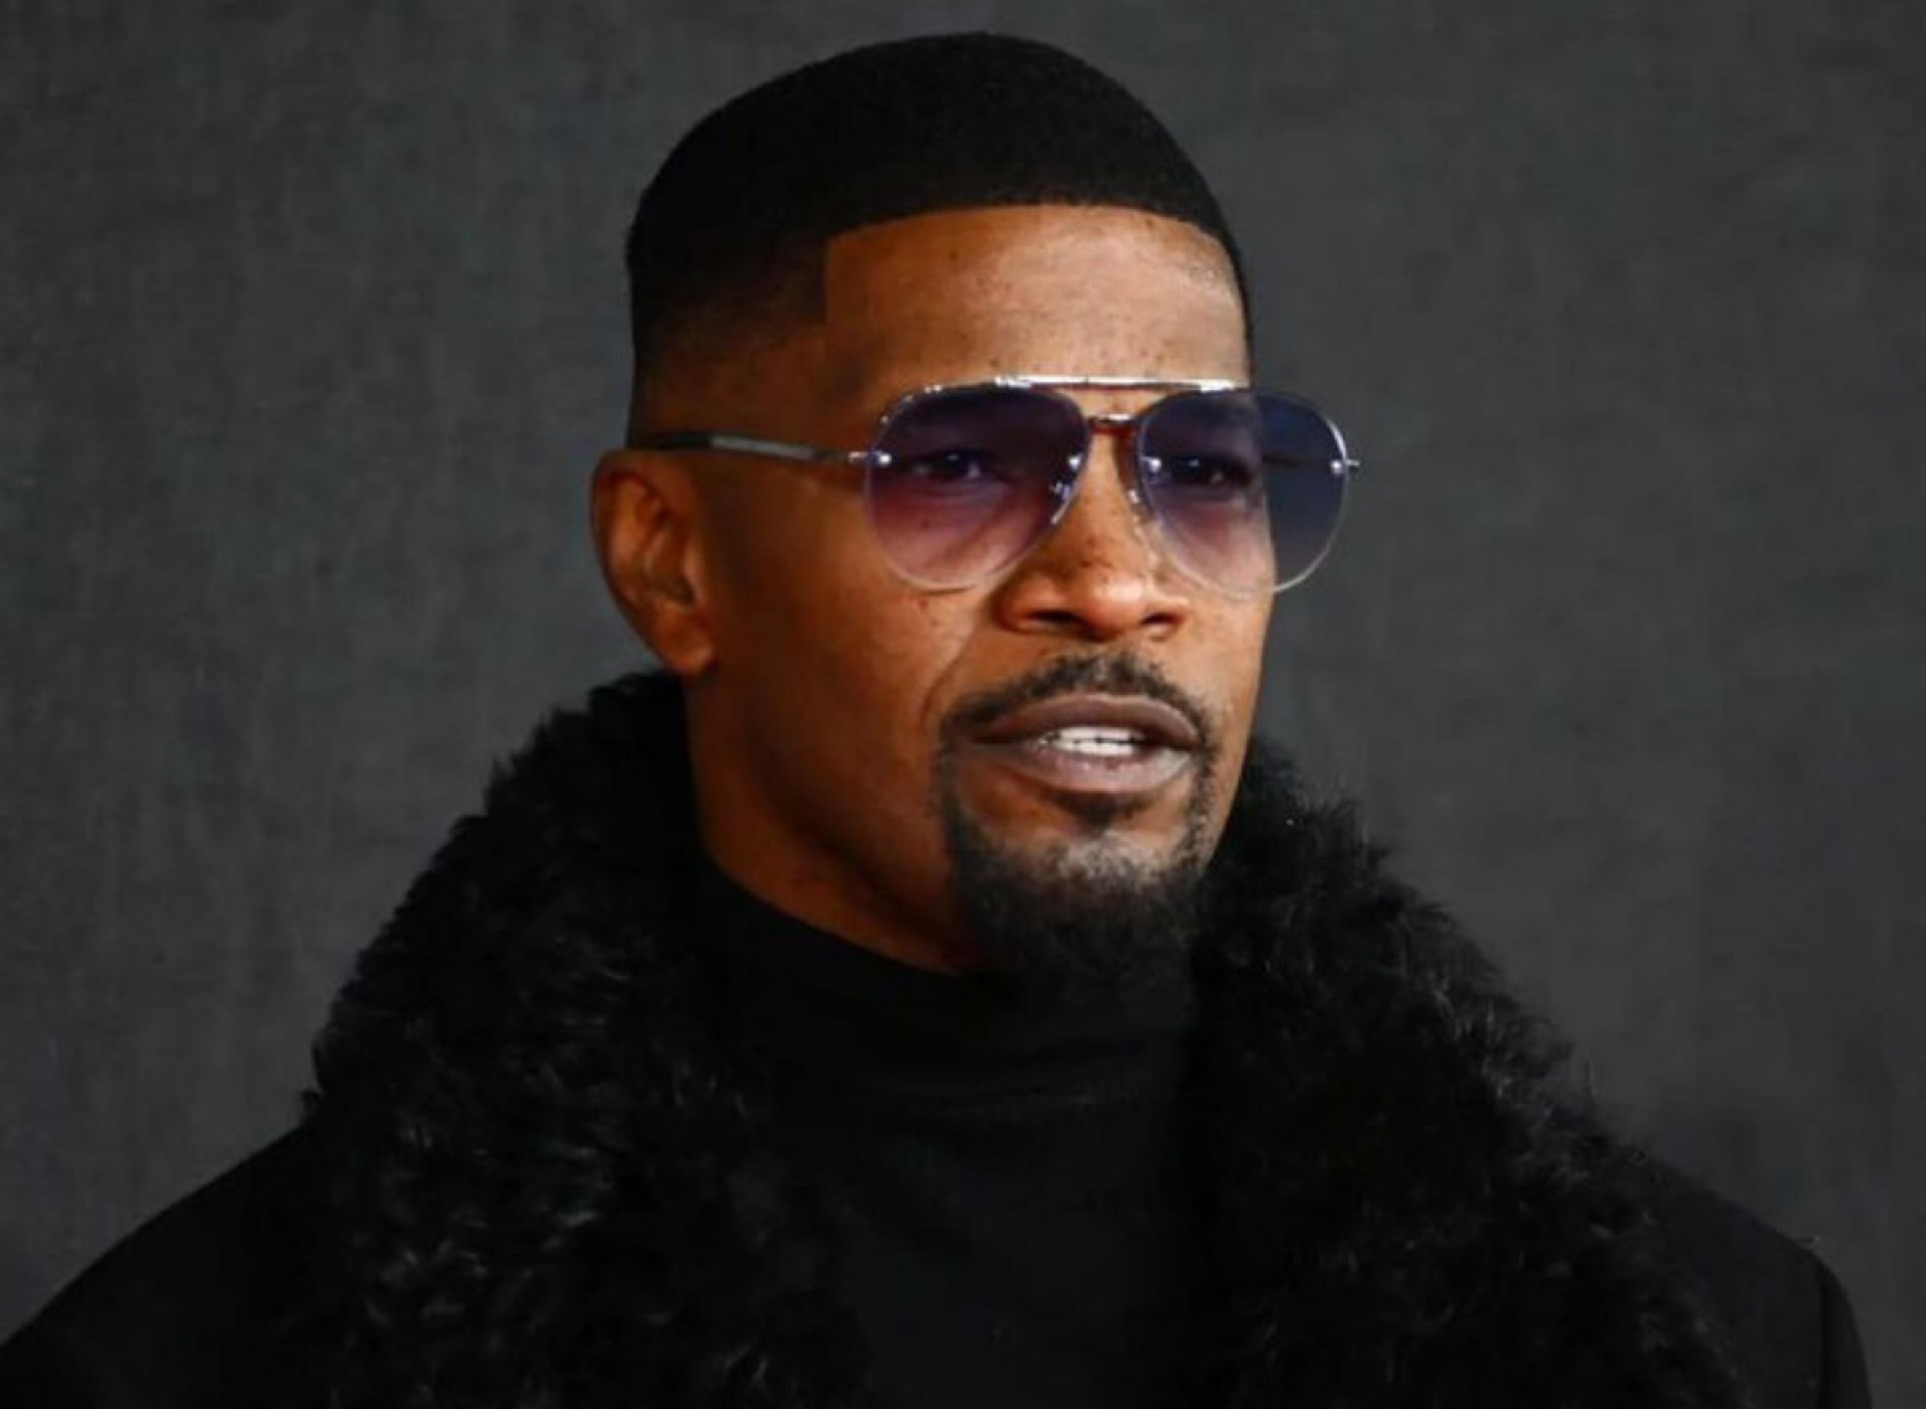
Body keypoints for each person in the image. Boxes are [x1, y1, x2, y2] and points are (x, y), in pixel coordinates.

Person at [0, 32, 1870, 1409]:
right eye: (963, 462)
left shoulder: (1711, 1344)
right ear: (672, 563)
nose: (1116, 579)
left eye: (1206, 469)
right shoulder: (208, 1369)